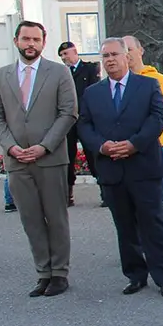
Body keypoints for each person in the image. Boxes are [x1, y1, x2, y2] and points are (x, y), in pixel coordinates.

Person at [79, 38, 163, 298]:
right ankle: (135, 275)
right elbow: (85, 126)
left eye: (114, 54)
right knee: (124, 226)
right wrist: (102, 146)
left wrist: (134, 144)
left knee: (153, 223)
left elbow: (158, 118)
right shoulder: (93, 93)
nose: (110, 60)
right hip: (112, 169)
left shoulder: (148, 85)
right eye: (105, 56)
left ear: (127, 56)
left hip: (143, 166)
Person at [0, 20, 78, 297]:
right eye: (25, 39)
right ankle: (43, 272)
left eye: (36, 40)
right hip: (17, 161)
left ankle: (60, 273)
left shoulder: (60, 72)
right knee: (31, 219)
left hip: (50, 158)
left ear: (43, 42)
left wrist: (44, 146)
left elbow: (68, 113)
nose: (30, 44)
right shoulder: (1, 76)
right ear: (16, 41)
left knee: (56, 217)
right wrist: (10, 147)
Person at [123, 36, 163, 263]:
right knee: (134, 201)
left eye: (130, 49)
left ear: (140, 50)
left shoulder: (156, 79)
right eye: (123, 50)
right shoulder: (122, 82)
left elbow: (157, 114)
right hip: (126, 150)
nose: (127, 54)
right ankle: (143, 244)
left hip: (153, 147)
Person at [57, 41, 101, 205]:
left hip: (85, 118)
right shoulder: (61, 73)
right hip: (68, 121)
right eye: (61, 55)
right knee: (67, 156)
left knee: (93, 154)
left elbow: (94, 92)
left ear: (74, 52)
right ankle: (68, 194)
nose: (64, 58)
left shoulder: (90, 69)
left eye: (66, 54)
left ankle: (104, 190)